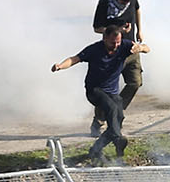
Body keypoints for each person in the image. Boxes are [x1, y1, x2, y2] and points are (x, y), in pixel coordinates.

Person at [52, 26, 150, 163]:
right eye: (112, 43)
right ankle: (117, 139)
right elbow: (75, 59)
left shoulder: (124, 46)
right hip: (95, 91)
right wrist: (60, 66)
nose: (115, 46)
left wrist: (140, 48)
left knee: (119, 118)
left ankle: (96, 149)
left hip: (112, 92)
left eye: (118, 42)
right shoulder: (94, 49)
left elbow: (147, 48)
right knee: (111, 109)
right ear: (104, 39)